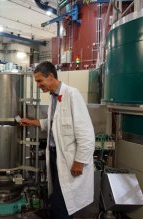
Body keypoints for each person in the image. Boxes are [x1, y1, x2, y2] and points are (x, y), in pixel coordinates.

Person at [21, 61, 95, 219]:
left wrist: (80, 161)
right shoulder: (54, 97)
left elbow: (86, 134)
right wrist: (33, 122)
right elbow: (54, 122)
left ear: (51, 77)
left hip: (70, 160)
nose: (38, 85)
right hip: (56, 156)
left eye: (39, 81)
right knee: (59, 199)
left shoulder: (71, 94)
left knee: (60, 203)